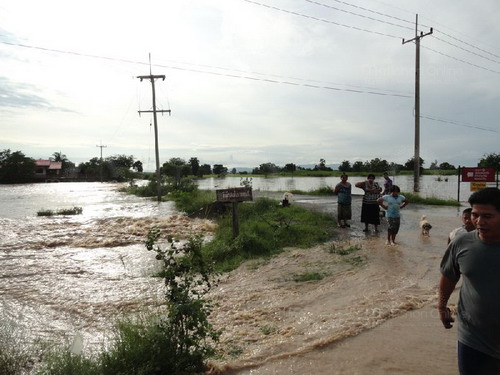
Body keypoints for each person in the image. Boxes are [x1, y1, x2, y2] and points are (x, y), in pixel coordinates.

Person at [438, 187, 500, 374]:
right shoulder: (461, 243)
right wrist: (441, 306)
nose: (479, 222)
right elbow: (449, 276)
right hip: (473, 337)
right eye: (475, 215)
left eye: (487, 216)